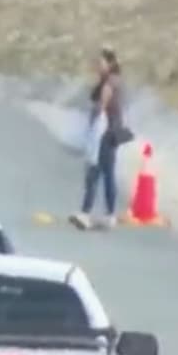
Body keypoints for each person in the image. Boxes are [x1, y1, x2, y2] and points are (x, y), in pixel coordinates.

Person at [69, 48, 131, 231]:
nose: (97, 66)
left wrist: (93, 125)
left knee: (96, 172)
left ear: (109, 64)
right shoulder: (113, 81)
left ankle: (87, 213)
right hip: (110, 132)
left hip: (105, 133)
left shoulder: (109, 83)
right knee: (106, 173)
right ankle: (106, 214)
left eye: (101, 62)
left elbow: (101, 107)